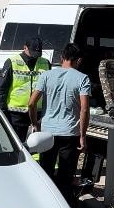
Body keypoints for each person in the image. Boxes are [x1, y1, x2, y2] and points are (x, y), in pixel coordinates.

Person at [27, 43, 91, 200]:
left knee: (46, 171)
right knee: (66, 176)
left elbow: (31, 103)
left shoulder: (46, 75)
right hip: (70, 133)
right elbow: (84, 109)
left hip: (47, 132)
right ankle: (66, 206)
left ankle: (45, 201)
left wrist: (35, 123)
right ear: (79, 60)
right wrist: (83, 136)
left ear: (62, 58)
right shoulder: (82, 78)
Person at [0, 37, 50, 141]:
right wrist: (1, 113)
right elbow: (2, 90)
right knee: (18, 144)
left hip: (38, 114)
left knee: (37, 145)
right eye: (32, 52)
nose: (35, 56)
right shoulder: (12, 62)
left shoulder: (45, 63)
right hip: (16, 115)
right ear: (25, 48)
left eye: (37, 53)